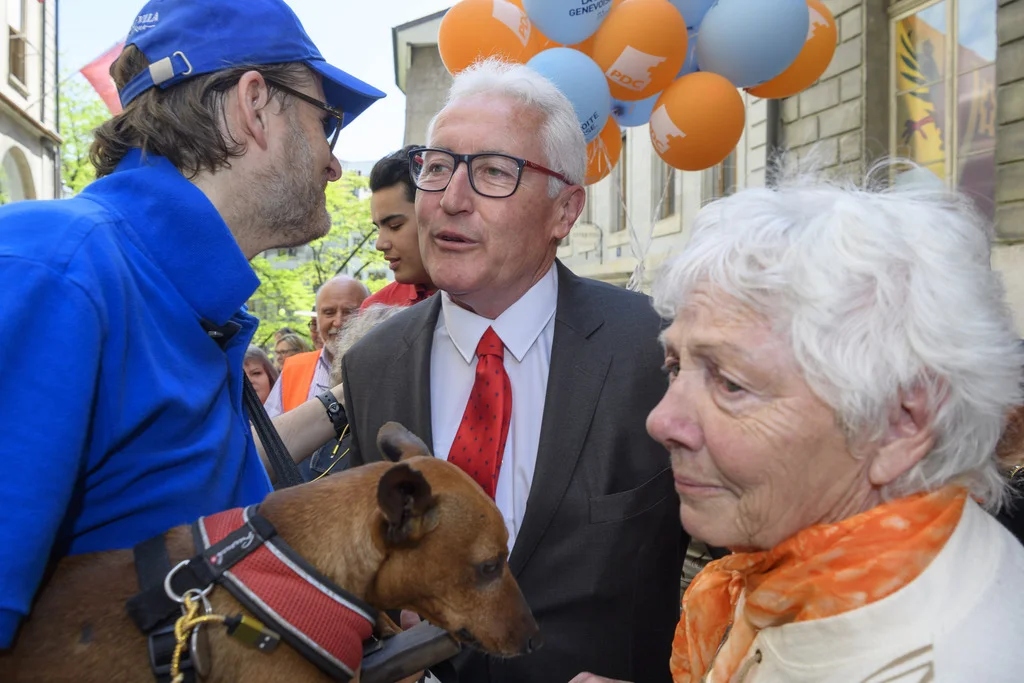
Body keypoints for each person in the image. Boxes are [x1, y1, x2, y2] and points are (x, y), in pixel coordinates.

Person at [0, 0, 385, 649]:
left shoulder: (194, 308)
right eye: (329, 121)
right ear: (255, 105)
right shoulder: (58, 269)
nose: (334, 162)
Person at [340, 59, 686, 683]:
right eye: (437, 167)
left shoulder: (655, 348)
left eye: (494, 172)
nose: (451, 199)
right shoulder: (373, 365)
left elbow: (754, 571)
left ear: (565, 210)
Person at [631, 171, 1024, 682]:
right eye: (676, 366)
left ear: (903, 424)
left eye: (729, 383)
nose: (661, 421)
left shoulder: (954, 663)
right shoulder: (824, 567)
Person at [362, 145, 436, 309]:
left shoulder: (493, 298)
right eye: (378, 229)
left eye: (395, 226)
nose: (380, 244)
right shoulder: (376, 311)